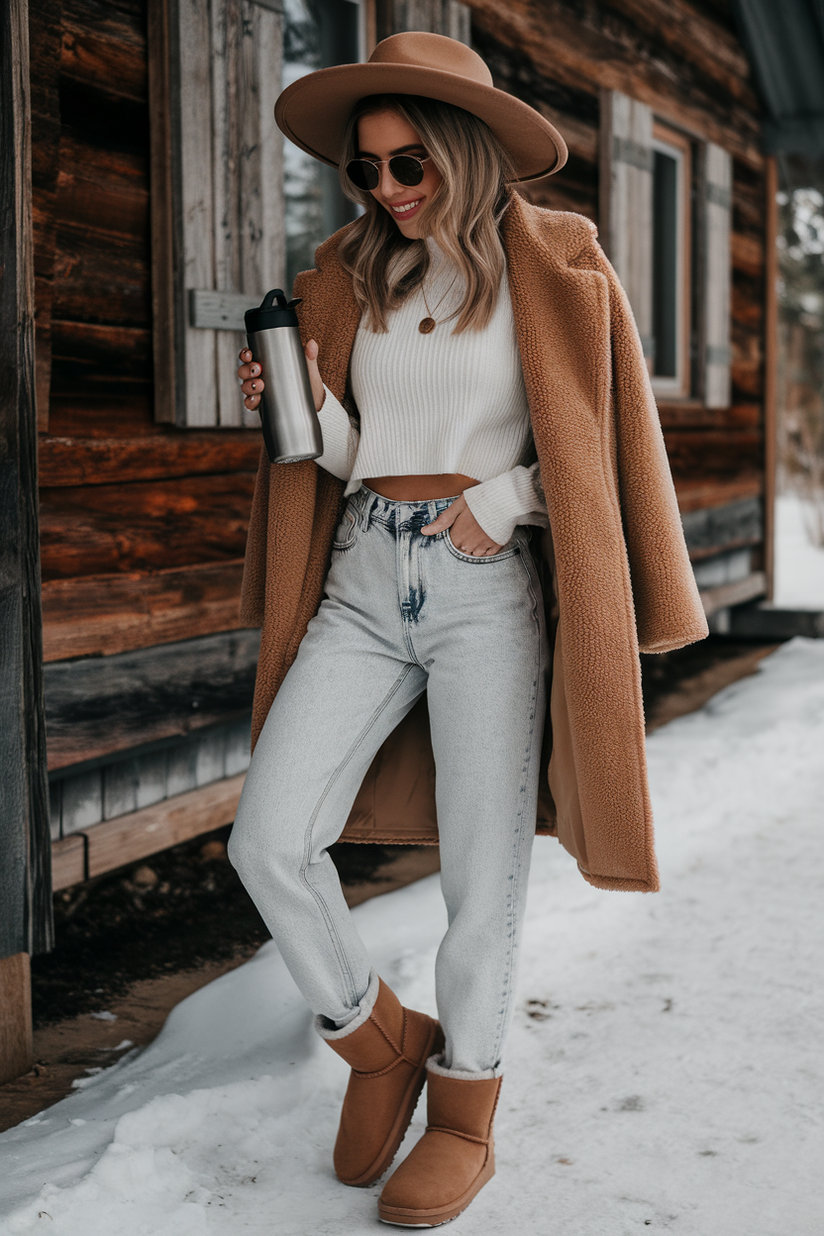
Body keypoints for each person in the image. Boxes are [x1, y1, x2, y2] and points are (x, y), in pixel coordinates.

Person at [228, 31, 708, 1228]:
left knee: (480, 877)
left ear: (465, 155)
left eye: (410, 167)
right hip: (359, 575)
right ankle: (378, 1039)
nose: (387, 191)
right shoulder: (347, 273)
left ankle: (462, 1108)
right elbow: (353, 461)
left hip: (483, 587)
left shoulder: (556, 261)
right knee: (267, 841)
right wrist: (309, 416)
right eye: (367, 171)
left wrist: (497, 506)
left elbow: (591, 447)